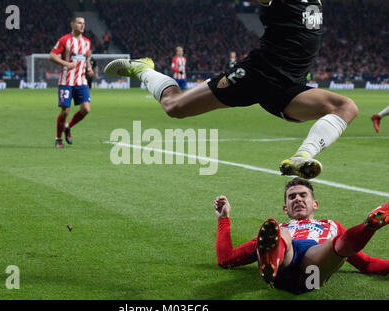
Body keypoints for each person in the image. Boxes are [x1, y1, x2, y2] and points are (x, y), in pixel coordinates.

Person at [104, 0, 359, 179]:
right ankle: (143, 69)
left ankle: (301, 157)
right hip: (257, 74)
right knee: (175, 107)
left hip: (289, 86)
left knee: (346, 107)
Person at [214, 178, 388, 294]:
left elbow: (367, 264)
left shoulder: (332, 225)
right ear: (285, 208)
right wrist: (223, 218)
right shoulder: (274, 232)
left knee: (337, 244)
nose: (297, 199)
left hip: (313, 268)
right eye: (292, 197)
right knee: (279, 231)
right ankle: (272, 262)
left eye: (303, 195)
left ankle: (369, 225)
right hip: (285, 261)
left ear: (315, 204)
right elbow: (226, 259)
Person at [49, 16, 94, 148]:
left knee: (86, 109)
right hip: (66, 82)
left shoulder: (87, 42)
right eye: (79, 23)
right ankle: (58, 139)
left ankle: (68, 127)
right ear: (72, 24)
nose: (82, 26)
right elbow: (52, 56)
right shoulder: (65, 40)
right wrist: (65, 63)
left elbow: (87, 57)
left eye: (84, 23)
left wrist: (89, 68)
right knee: (65, 111)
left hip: (81, 81)